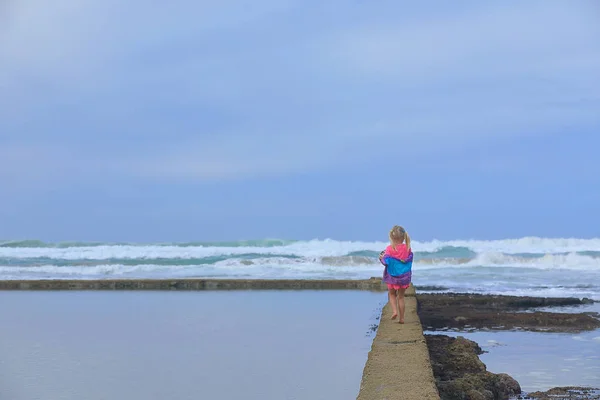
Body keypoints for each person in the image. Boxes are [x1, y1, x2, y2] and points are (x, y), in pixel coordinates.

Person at [379, 225, 413, 324]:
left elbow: (386, 262)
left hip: (392, 278)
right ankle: (402, 318)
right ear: (403, 237)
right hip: (403, 278)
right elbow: (408, 261)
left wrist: (381, 258)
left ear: (391, 237)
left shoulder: (389, 249)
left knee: (392, 294)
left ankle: (394, 311)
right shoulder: (407, 248)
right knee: (401, 297)